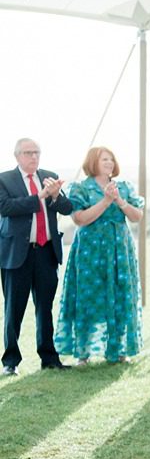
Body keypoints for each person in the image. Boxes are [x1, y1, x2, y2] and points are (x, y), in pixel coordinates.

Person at [55, 146, 144, 365]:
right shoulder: (81, 188)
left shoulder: (124, 186)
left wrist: (119, 201)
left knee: (120, 296)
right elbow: (80, 219)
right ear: (93, 162)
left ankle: (119, 350)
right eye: (104, 159)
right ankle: (83, 353)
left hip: (119, 249)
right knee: (88, 296)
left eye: (111, 159)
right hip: (90, 250)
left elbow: (137, 216)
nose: (109, 162)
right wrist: (105, 201)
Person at [0, 139, 75, 374]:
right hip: (16, 254)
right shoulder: (4, 179)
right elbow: (6, 208)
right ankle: (10, 362)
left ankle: (49, 358)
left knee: (45, 307)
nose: (34, 157)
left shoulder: (49, 176)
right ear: (17, 156)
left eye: (37, 152)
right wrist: (40, 196)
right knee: (14, 309)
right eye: (28, 153)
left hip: (46, 252)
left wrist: (55, 196)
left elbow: (67, 208)